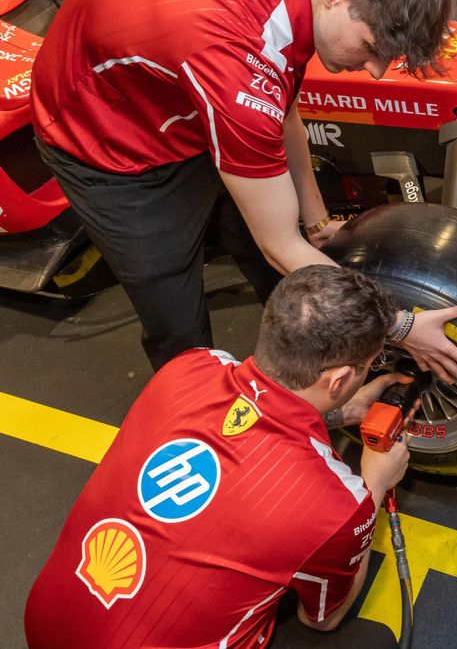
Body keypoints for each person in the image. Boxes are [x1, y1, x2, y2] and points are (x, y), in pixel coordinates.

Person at [31, 0, 457, 385]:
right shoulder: (234, 60)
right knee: (176, 317)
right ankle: (197, 418)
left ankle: (315, 349)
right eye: (372, 47)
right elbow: (279, 243)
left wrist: (318, 223)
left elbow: (282, 110)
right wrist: (398, 325)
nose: (376, 71)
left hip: (184, 91)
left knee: (270, 246)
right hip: (107, 144)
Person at [25, 264, 416, 647]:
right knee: (372, 639)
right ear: (339, 380)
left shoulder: (189, 367)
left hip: (46, 625)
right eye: (371, 364)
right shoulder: (337, 504)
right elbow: (323, 620)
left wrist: (336, 412)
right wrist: (375, 483)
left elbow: (245, 425)